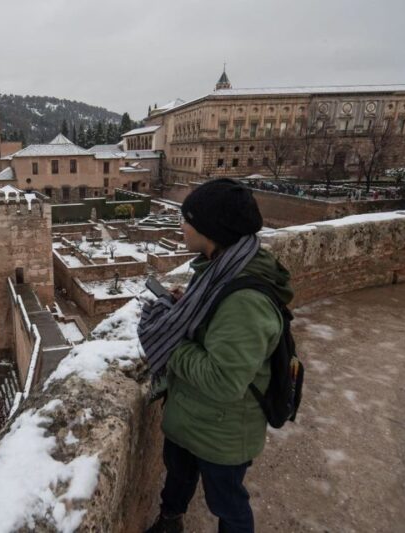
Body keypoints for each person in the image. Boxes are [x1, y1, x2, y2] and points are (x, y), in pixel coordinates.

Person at [138, 179, 293, 533]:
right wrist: (186, 311)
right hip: (193, 417)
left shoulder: (245, 301)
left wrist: (171, 340)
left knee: (228, 505)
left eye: (186, 219)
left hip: (222, 431)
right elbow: (214, 323)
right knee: (178, 478)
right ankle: (170, 522)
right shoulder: (220, 267)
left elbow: (224, 380)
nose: (181, 226)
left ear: (209, 229)